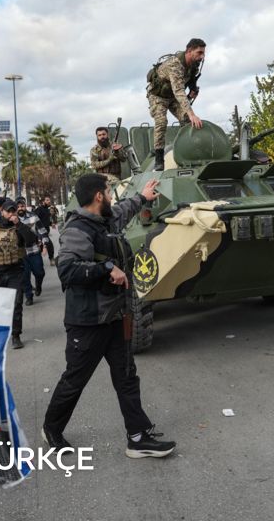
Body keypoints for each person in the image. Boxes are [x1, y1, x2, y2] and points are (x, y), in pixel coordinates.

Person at [43, 174, 176, 458]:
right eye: (108, 191)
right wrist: (105, 269)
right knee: (75, 380)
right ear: (99, 196)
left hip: (116, 316)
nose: (111, 196)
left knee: (127, 377)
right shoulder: (77, 230)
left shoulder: (106, 220)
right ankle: (51, 428)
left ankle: (138, 438)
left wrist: (143, 197)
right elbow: (67, 270)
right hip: (88, 322)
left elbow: (125, 209)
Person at [0, 199, 36, 349]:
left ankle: (16, 335)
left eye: (13, 211)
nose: (11, 214)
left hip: (15, 272)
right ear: (2, 212)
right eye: (8, 211)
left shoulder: (19, 227)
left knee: (16, 304)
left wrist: (19, 225)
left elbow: (31, 240)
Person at [146, 38, 206, 170]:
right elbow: (179, 91)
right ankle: (159, 159)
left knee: (187, 121)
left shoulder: (194, 64)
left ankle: (191, 152)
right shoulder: (175, 64)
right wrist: (192, 114)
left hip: (173, 97)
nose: (202, 56)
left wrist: (193, 89)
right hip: (158, 96)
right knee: (161, 122)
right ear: (189, 51)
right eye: (199, 53)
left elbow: (191, 79)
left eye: (203, 53)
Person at [16, 197, 47, 305]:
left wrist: (45, 245)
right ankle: (29, 296)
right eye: (18, 207)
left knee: (40, 272)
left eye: (22, 206)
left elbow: (42, 231)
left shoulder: (33, 216)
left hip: (34, 250)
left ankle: (38, 286)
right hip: (20, 253)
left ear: (25, 206)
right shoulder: (12, 220)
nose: (20, 208)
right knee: (25, 276)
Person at [34, 196, 57, 266]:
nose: (49, 201)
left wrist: (51, 224)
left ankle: (38, 261)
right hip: (40, 232)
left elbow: (45, 220)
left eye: (49, 200)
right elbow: (35, 220)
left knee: (42, 246)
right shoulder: (39, 209)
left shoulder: (47, 209)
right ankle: (51, 259)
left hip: (46, 231)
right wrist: (39, 231)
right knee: (49, 245)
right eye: (47, 200)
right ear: (43, 202)